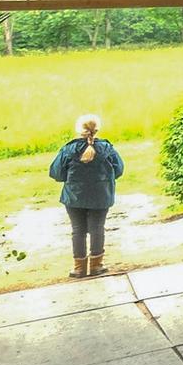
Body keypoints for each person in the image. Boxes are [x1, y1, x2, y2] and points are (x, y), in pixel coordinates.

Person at [48, 114, 124, 278]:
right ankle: (97, 266)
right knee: (97, 228)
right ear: (96, 130)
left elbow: (56, 173)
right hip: (100, 196)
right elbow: (119, 170)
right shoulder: (107, 148)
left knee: (78, 230)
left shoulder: (68, 150)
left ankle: (79, 268)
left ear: (79, 130)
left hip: (74, 197)